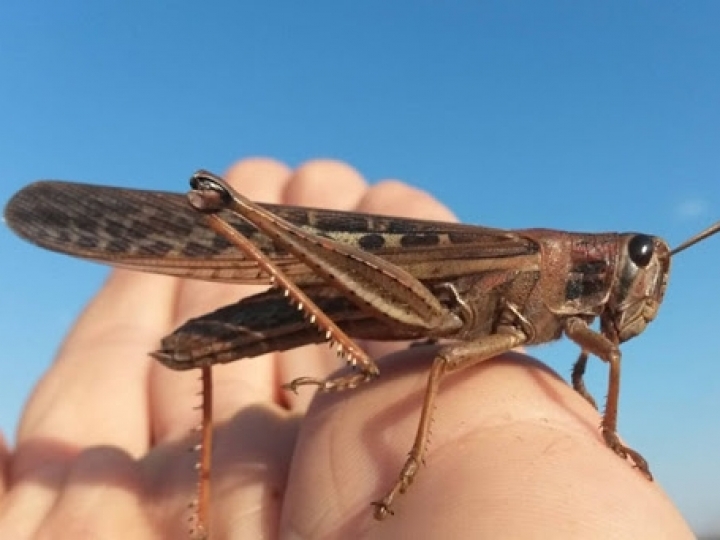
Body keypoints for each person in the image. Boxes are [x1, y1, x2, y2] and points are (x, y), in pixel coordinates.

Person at [0, 159, 693, 538]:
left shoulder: (579, 329)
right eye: (635, 261)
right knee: (449, 360)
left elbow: (605, 349)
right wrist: (407, 453)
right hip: (364, 281)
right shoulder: (526, 263)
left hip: (383, 301)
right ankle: (239, 223)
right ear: (600, 259)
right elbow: (447, 355)